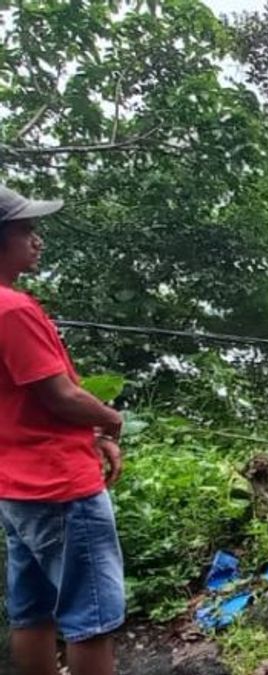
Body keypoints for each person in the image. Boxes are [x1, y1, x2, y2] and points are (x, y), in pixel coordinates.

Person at [0, 185, 125, 675]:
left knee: (32, 610)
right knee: (91, 616)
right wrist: (110, 420)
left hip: (15, 482)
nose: (37, 240)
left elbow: (24, 400)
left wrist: (87, 432)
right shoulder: (12, 310)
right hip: (58, 486)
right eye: (26, 230)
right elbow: (60, 396)